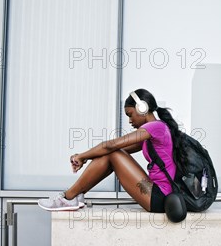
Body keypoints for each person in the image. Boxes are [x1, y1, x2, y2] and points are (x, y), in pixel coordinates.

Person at [38, 88, 187, 213]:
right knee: (111, 152)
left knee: (113, 151)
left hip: (159, 196)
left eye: (130, 115)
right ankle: (75, 196)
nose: (129, 121)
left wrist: (82, 156)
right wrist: (86, 157)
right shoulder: (153, 133)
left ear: (142, 108)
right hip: (157, 194)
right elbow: (114, 149)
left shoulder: (156, 127)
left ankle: (68, 197)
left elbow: (111, 146)